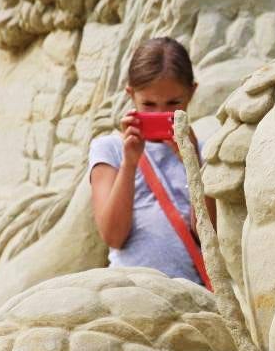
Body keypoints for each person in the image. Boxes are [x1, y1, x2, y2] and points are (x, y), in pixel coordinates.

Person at [88, 37, 215, 286]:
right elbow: (113, 236)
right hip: (129, 287)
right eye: (148, 104)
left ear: (191, 93)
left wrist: (193, 163)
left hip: (190, 291)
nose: (159, 114)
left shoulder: (204, 151)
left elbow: (208, 236)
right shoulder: (109, 149)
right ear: (131, 95)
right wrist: (130, 162)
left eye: (173, 103)